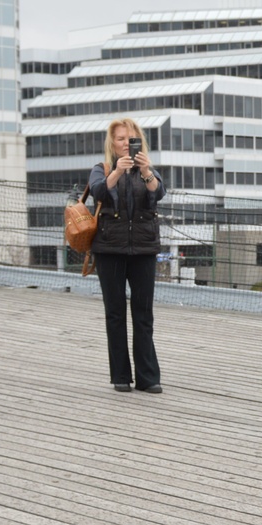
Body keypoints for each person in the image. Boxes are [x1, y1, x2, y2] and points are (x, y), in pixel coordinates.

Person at [89, 117, 166, 394]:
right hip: (109, 248)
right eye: (120, 139)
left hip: (144, 249)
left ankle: (148, 377)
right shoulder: (102, 169)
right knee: (115, 312)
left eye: (130, 138)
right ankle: (120, 376)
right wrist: (117, 172)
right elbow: (98, 193)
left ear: (139, 141)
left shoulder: (148, 169)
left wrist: (144, 171)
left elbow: (158, 193)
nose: (126, 144)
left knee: (144, 313)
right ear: (112, 142)